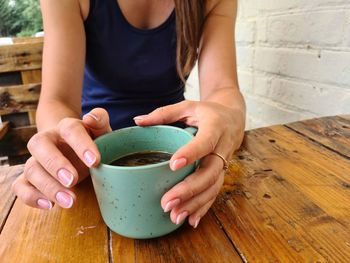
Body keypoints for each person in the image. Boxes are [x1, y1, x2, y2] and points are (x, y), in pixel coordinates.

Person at [11, 0, 245, 229]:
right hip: (93, 148)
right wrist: (65, 139)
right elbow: (57, 99)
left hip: (179, 153)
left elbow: (222, 90)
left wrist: (225, 120)